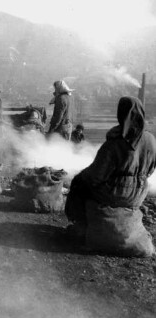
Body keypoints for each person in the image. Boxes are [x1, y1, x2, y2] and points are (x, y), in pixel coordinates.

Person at [65, 96, 156, 257]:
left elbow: (95, 176)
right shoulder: (150, 140)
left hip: (113, 194)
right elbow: (150, 170)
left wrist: (81, 178)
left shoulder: (114, 144)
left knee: (79, 183)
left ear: (120, 114)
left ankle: (81, 227)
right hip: (137, 196)